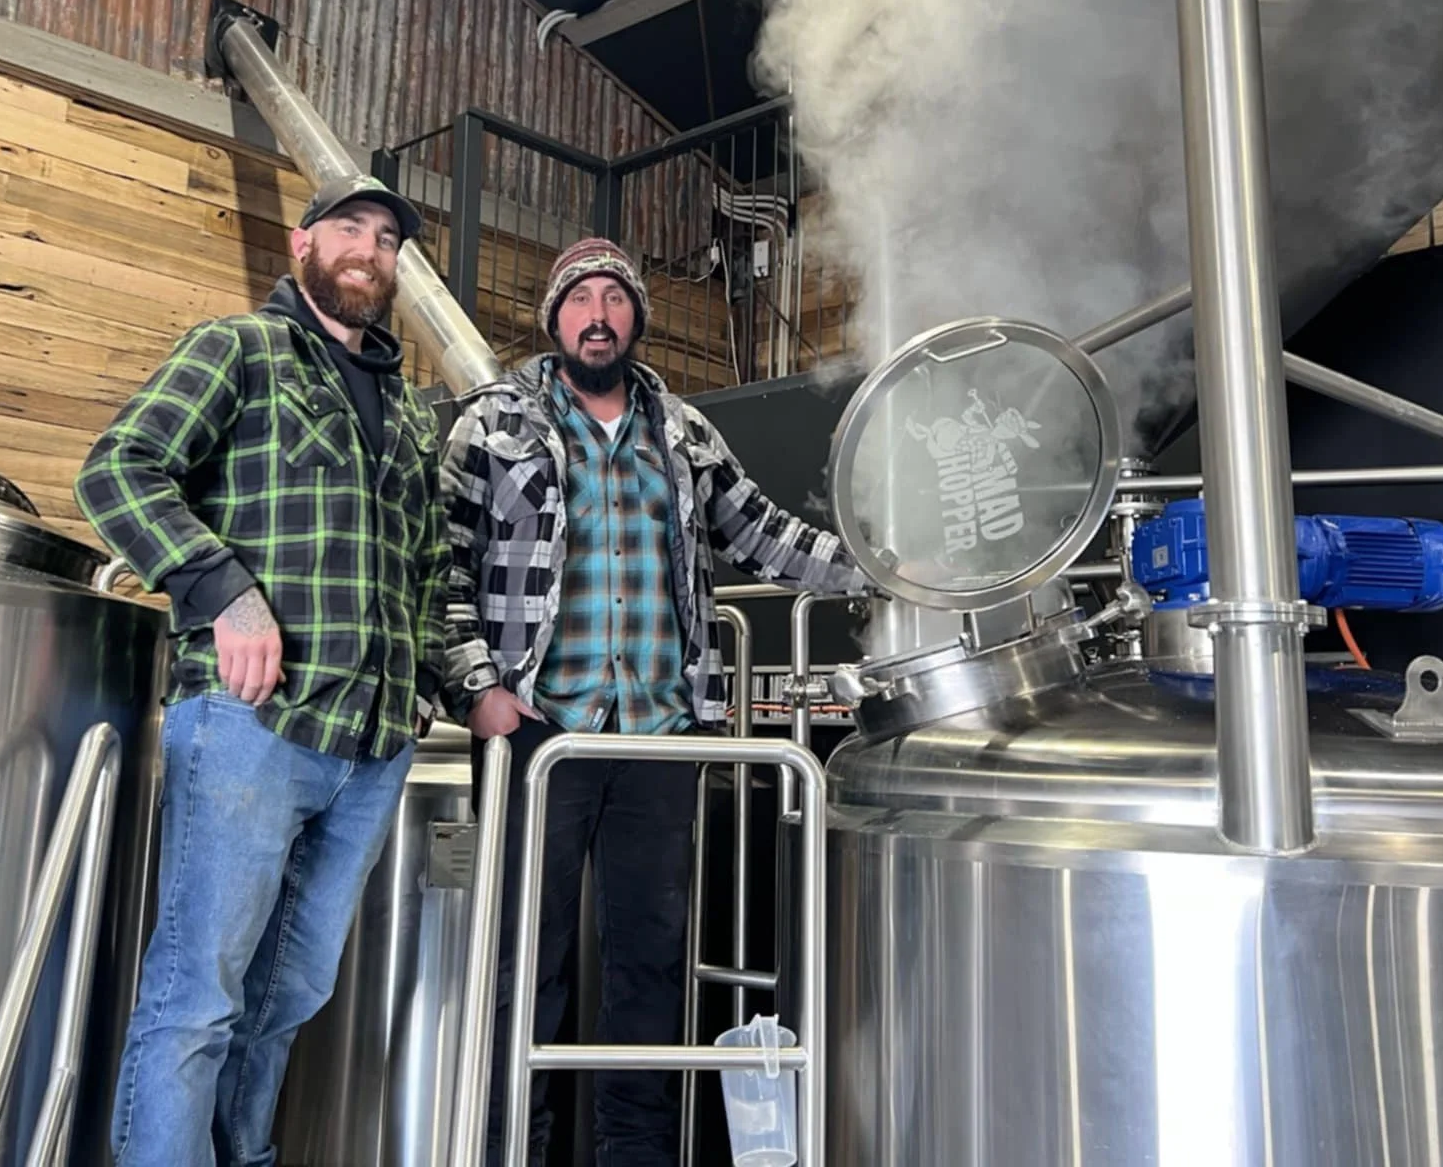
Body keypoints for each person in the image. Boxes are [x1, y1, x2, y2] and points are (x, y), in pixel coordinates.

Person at [438, 236, 870, 1166]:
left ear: (636, 317)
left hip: (658, 741)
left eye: (616, 298)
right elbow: (443, 566)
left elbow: (762, 536)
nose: (599, 314)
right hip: (540, 735)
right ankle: (515, 1147)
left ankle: (631, 1155)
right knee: (523, 965)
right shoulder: (493, 425)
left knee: (650, 967)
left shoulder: (682, 431)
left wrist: (881, 563)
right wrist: (479, 690)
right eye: (581, 299)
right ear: (554, 320)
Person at [76, 172, 448, 1167]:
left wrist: (420, 687)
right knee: (198, 996)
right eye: (349, 230)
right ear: (303, 245)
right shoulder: (235, 348)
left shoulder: (414, 413)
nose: (369, 249)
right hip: (252, 724)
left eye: (386, 237)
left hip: (369, 747)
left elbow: (423, 562)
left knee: (289, 998)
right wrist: (221, 591)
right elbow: (118, 467)